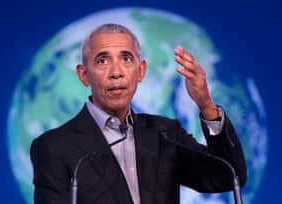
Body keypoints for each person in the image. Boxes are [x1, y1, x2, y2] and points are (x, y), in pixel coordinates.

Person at [30, 23, 247, 204]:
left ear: (140, 71)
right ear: (83, 74)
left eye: (126, 59)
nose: (116, 73)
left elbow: (229, 176)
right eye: (103, 61)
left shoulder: (165, 133)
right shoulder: (54, 147)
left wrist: (206, 105)